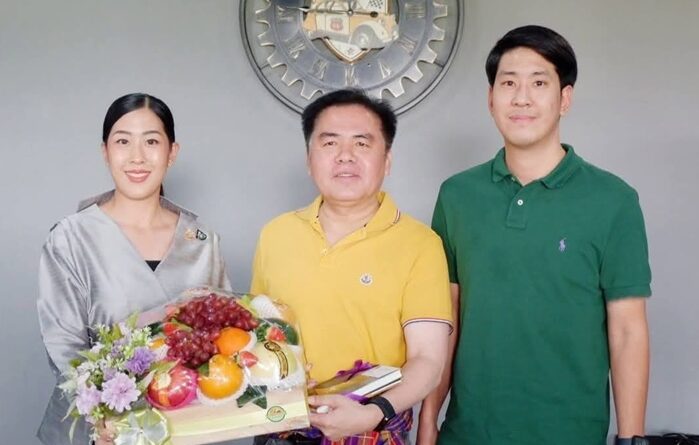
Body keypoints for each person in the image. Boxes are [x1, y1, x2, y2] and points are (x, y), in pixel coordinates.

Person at [418, 25, 652, 445]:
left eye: (539, 83)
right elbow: (446, 320)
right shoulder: (457, 196)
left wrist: (632, 439)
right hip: (467, 434)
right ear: (491, 99)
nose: (521, 98)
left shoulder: (614, 201)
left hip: (570, 434)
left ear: (565, 99)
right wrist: (428, 421)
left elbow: (628, 332)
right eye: (508, 83)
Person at [250, 89, 453, 444]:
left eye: (361, 143)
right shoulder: (275, 234)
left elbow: (427, 361)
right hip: (280, 431)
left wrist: (374, 412)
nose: (345, 156)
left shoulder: (420, 244)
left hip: (371, 431)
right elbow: (258, 338)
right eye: (330, 143)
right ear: (309, 160)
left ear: (386, 161)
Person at [36, 93, 232, 445]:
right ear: (105, 151)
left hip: (183, 425)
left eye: (152, 141)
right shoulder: (72, 236)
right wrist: (103, 416)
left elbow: (222, 336)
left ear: (172, 152)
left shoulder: (201, 239)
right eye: (123, 141)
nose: (137, 156)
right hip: (99, 428)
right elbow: (63, 345)